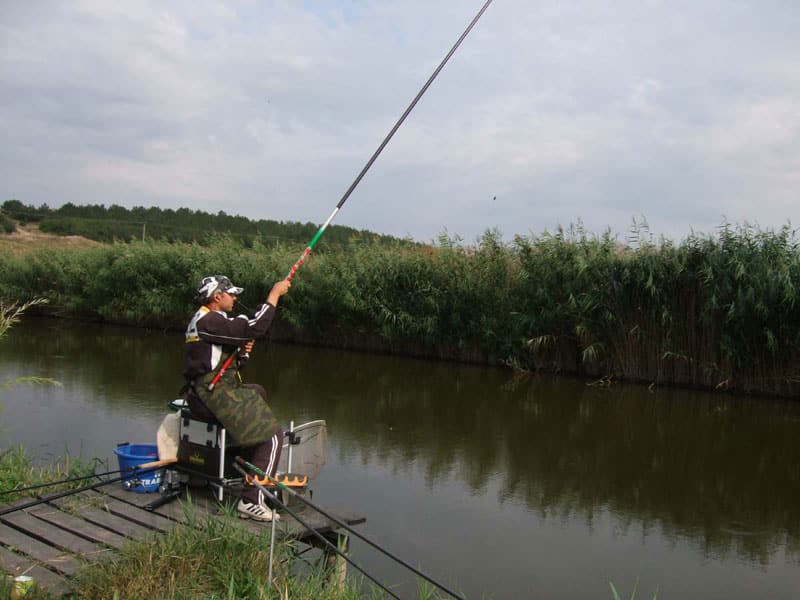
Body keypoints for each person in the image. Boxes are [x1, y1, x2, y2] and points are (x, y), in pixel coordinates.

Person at [182, 274, 290, 522]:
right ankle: (251, 500)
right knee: (273, 437)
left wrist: (242, 355)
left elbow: (216, 363)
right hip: (210, 395)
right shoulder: (210, 321)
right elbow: (255, 327)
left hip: (206, 391)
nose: (235, 297)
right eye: (231, 294)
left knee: (258, 392)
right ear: (217, 297)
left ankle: (249, 460)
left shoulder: (203, 320)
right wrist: (274, 295)